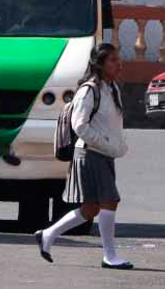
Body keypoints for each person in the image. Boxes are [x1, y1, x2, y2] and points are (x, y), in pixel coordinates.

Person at [35, 43, 132, 269]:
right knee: (110, 201)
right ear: (100, 64)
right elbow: (79, 125)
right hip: (90, 154)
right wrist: (105, 144)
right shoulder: (89, 90)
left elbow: (111, 124)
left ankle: (47, 235)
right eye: (113, 60)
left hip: (104, 154)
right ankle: (110, 256)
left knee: (91, 209)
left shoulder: (112, 88)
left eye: (118, 59)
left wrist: (118, 145)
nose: (119, 64)